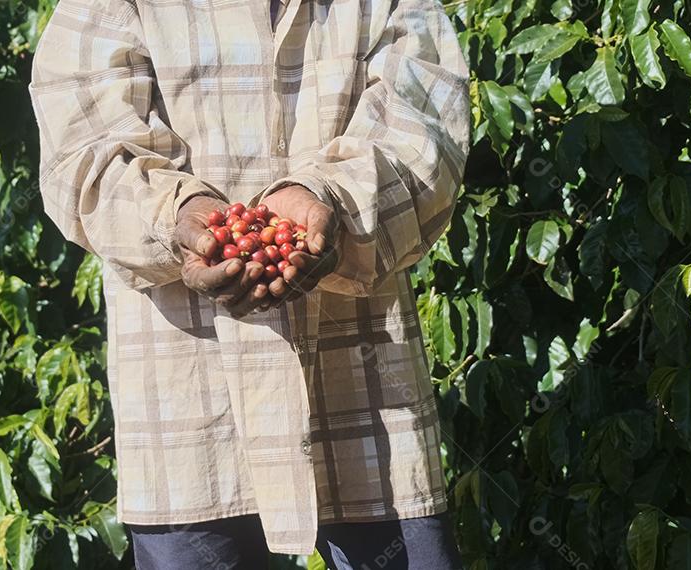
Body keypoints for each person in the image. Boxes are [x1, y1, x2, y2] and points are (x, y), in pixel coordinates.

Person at [29, 0, 470, 565]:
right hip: (187, 402)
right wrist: (176, 215)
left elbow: (426, 130)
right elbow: (82, 152)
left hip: (365, 401)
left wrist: (328, 199)